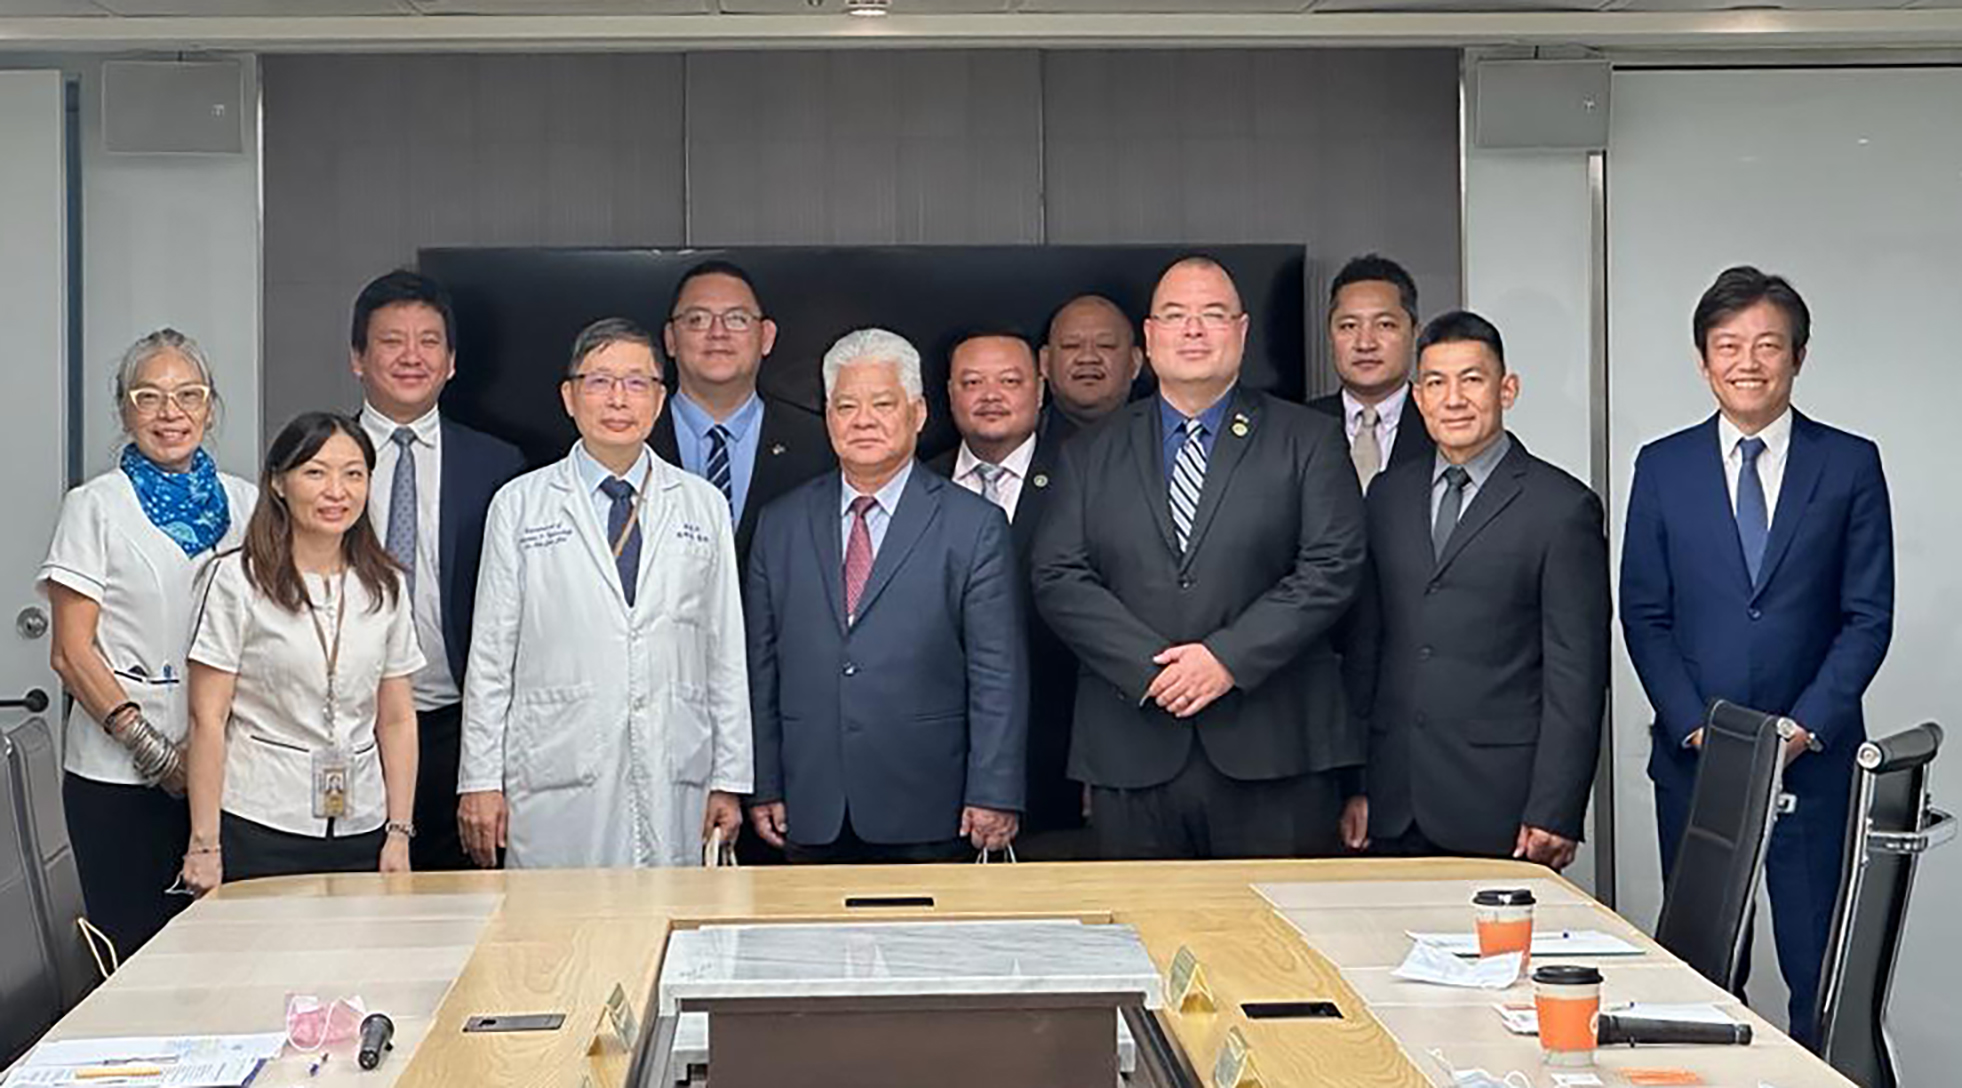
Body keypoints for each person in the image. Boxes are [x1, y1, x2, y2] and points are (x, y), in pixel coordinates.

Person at [1621, 266, 1892, 1048]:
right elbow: (1645, 613)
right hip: (1698, 764)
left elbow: (1868, 616)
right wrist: (1696, 727)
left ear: (1798, 357)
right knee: (1705, 977)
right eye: (1728, 345)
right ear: (1703, 361)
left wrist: (1804, 726)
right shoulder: (1662, 466)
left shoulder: (1848, 464)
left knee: (1820, 978)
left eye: (1767, 344)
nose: (1748, 361)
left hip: (1814, 761)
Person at [1032, 256, 1366, 860]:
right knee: (1142, 943)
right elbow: (1058, 576)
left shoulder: (1307, 439)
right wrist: (1152, 669)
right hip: (1131, 747)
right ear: (1150, 337)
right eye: (1176, 316)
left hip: (1274, 748)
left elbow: (1331, 567)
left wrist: (1225, 659)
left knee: (1275, 947)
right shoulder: (1090, 452)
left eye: (1211, 315)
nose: (1193, 330)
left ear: (1240, 333)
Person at [459, 319, 750, 869]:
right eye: (599, 382)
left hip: (675, 765)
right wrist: (479, 780)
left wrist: (730, 778)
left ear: (661, 400)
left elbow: (724, 653)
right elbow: (492, 659)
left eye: (637, 383)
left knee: (670, 929)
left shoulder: (702, 505)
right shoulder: (521, 506)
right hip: (556, 770)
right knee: (557, 935)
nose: (619, 399)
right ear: (569, 397)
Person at [1339, 311, 1609, 870]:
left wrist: (1556, 807)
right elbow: (1367, 649)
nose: (1453, 398)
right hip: (1394, 798)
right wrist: (1357, 782)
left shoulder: (1560, 508)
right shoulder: (1388, 495)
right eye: (1436, 382)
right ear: (1418, 397)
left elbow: (1576, 673)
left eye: (1472, 379)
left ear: (1506, 389)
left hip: (1502, 804)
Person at [746, 328, 1027, 863]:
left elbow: (998, 673)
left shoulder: (974, 526)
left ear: (918, 413)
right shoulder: (780, 523)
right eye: (845, 405)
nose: (863, 420)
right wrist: (765, 781)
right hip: (810, 803)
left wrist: (994, 790)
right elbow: (761, 668)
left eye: (882, 403)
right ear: (827, 416)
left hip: (931, 801)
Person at [40, 330, 255, 953]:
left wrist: (204, 756)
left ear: (211, 409)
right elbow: (71, 653)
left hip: (229, 772)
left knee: (222, 957)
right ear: (124, 408)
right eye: (150, 396)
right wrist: (159, 756)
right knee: (133, 954)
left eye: (189, 395)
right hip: (118, 779)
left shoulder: (248, 505)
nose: (171, 413)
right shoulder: (93, 508)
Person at [180, 412, 420, 892]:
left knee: (357, 964)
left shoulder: (386, 584)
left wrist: (399, 832)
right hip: (262, 819)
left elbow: (396, 718)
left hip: (363, 823)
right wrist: (204, 844)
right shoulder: (237, 580)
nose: (337, 490)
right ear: (278, 484)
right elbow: (208, 719)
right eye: (315, 472)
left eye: (353, 474)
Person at [349, 270, 526, 872]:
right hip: (349, 724)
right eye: (391, 341)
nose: (411, 356)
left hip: (458, 726)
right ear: (358, 359)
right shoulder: (319, 459)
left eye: (428, 341)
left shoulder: (498, 466)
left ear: (451, 363)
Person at [927, 331, 1085, 856]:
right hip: (940, 762)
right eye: (972, 382)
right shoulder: (919, 485)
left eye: (1010, 381)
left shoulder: (1086, 476)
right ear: (948, 395)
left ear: (1040, 390)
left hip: (1059, 752)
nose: (990, 395)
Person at [652, 260, 835, 571]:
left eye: (736, 319)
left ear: (766, 337)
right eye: (697, 319)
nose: (718, 333)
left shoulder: (820, 445)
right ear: (670, 339)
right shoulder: (631, 439)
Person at [1308, 255, 1434, 491]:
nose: (1365, 343)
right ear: (1330, 336)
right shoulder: (1298, 429)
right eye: (1348, 326)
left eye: (1385, 325)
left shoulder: (1442, 425)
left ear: (1416, 333)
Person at [1039, 294, 1144, 432]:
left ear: (1135, 362)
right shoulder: (1017, 441)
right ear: (1045, 362)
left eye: (1105, 345)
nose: (1088, 357)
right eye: (1071, 345)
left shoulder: (1164, 439)